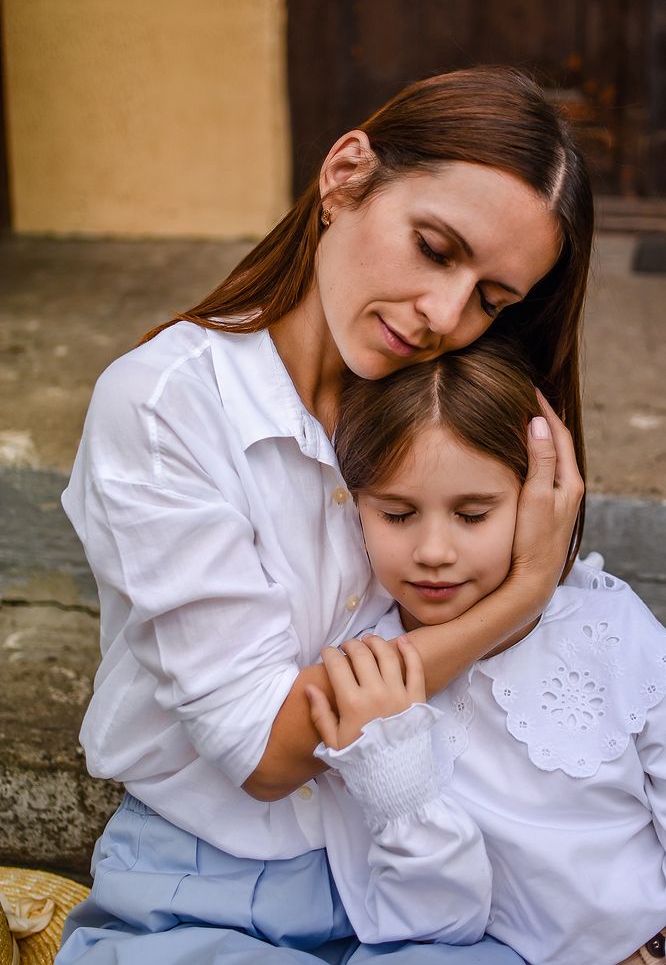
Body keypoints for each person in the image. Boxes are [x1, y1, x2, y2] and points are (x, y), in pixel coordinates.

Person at [56, 66, 592, 963]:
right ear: (345, 177)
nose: (444, 316)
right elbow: (264, 751)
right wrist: (520, 594)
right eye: (434, 247)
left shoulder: (448, 414)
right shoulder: (166, 406)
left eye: (492, 300)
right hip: (204, 886)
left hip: (417, 869)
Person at [309, 337, 666, 965]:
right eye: (396, 514)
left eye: (473, 515)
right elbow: (435, 927)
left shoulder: (609, 626)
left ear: (538, 499)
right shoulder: (371, 683)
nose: (434, 551)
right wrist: (397, 785)